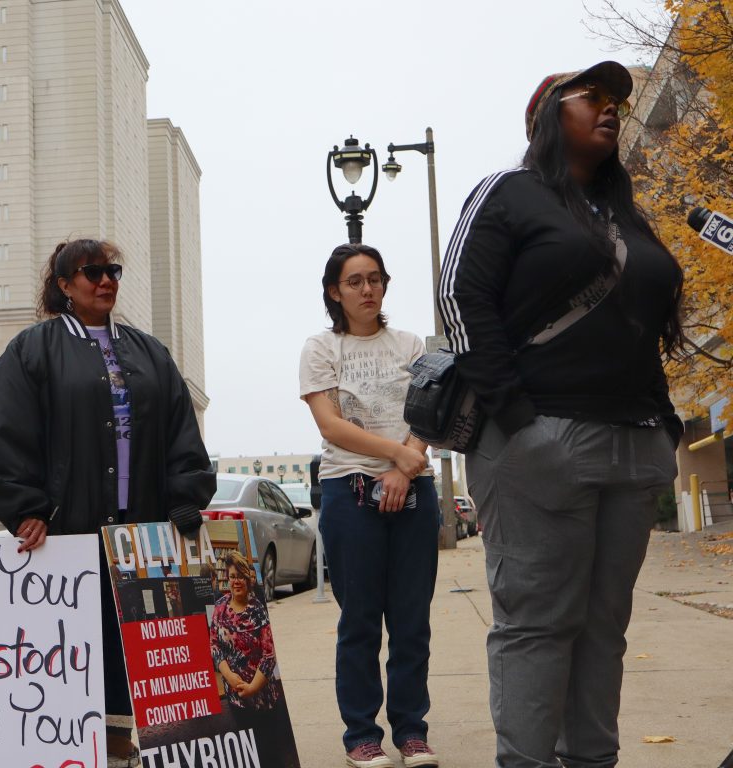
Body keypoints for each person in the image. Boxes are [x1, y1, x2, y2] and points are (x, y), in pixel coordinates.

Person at [438, 61, 683, 768]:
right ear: (549, 115)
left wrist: (665, 426)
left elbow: (648, 327)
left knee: (604, 629)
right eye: (594, 98)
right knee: (539, 627)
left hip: (634, 444)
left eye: (618, 103)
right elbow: (461, 299)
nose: (612, 110)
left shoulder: (628, 218)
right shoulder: (508, 193)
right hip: (541, 438)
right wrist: (519, 421)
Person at [0, 238, 216, 766]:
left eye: (112, 271)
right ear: (64, 286)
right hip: (71, 533)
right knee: (75, 652)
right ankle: (83, 752)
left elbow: (182, 431)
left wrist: (185, 495)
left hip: (146, 531)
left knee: (140, 647)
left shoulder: (150, 351)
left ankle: (123, 750)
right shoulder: (32, 351)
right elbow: (4, 433)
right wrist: (25, 508)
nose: (105, 280)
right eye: (91, 272)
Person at [300, 243, 440, 768]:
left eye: (375, 279)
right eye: (354, 281)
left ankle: (411, 733)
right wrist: (398, 458)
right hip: (348, 493)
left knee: (411, 621)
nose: (366, 289)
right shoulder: (321, 348)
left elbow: (431, 409)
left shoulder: (409, 344)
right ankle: (361, 734)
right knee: (359, 620)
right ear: (335, 291)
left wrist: (407, 467)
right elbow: (331, 426)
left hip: (413, 494)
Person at [210, 551, 283, 767]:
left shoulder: (258, 610)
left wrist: (252, 688)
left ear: (249, 579)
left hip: (262, 697)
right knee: (248, 751)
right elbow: (214, 645)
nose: (236, 581)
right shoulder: (220, 607)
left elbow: (269, 656)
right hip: (235, 696)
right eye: (232, 576)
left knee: (269, 751)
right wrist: (229, 676)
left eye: (240, 576)